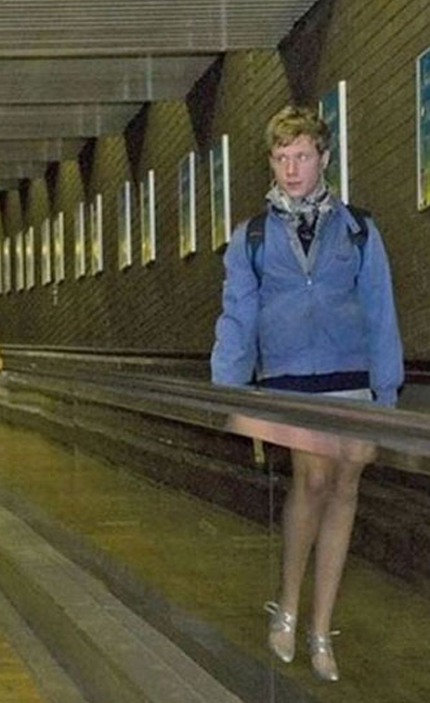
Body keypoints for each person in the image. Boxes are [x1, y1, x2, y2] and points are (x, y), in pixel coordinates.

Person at [210, 105, 403, 682]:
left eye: (301, 156)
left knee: (345, 488)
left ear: (323, 158)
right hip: (291, 381)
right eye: (280, 158)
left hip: (353, 378)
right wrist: (227, 392)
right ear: (271, 163)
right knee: (314, 480)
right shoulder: (252, 237)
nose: (291, 169)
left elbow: (381, 311)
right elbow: (238, 317)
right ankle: (289, 606)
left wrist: (386, 395)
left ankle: (321, 627)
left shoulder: (359, 230)